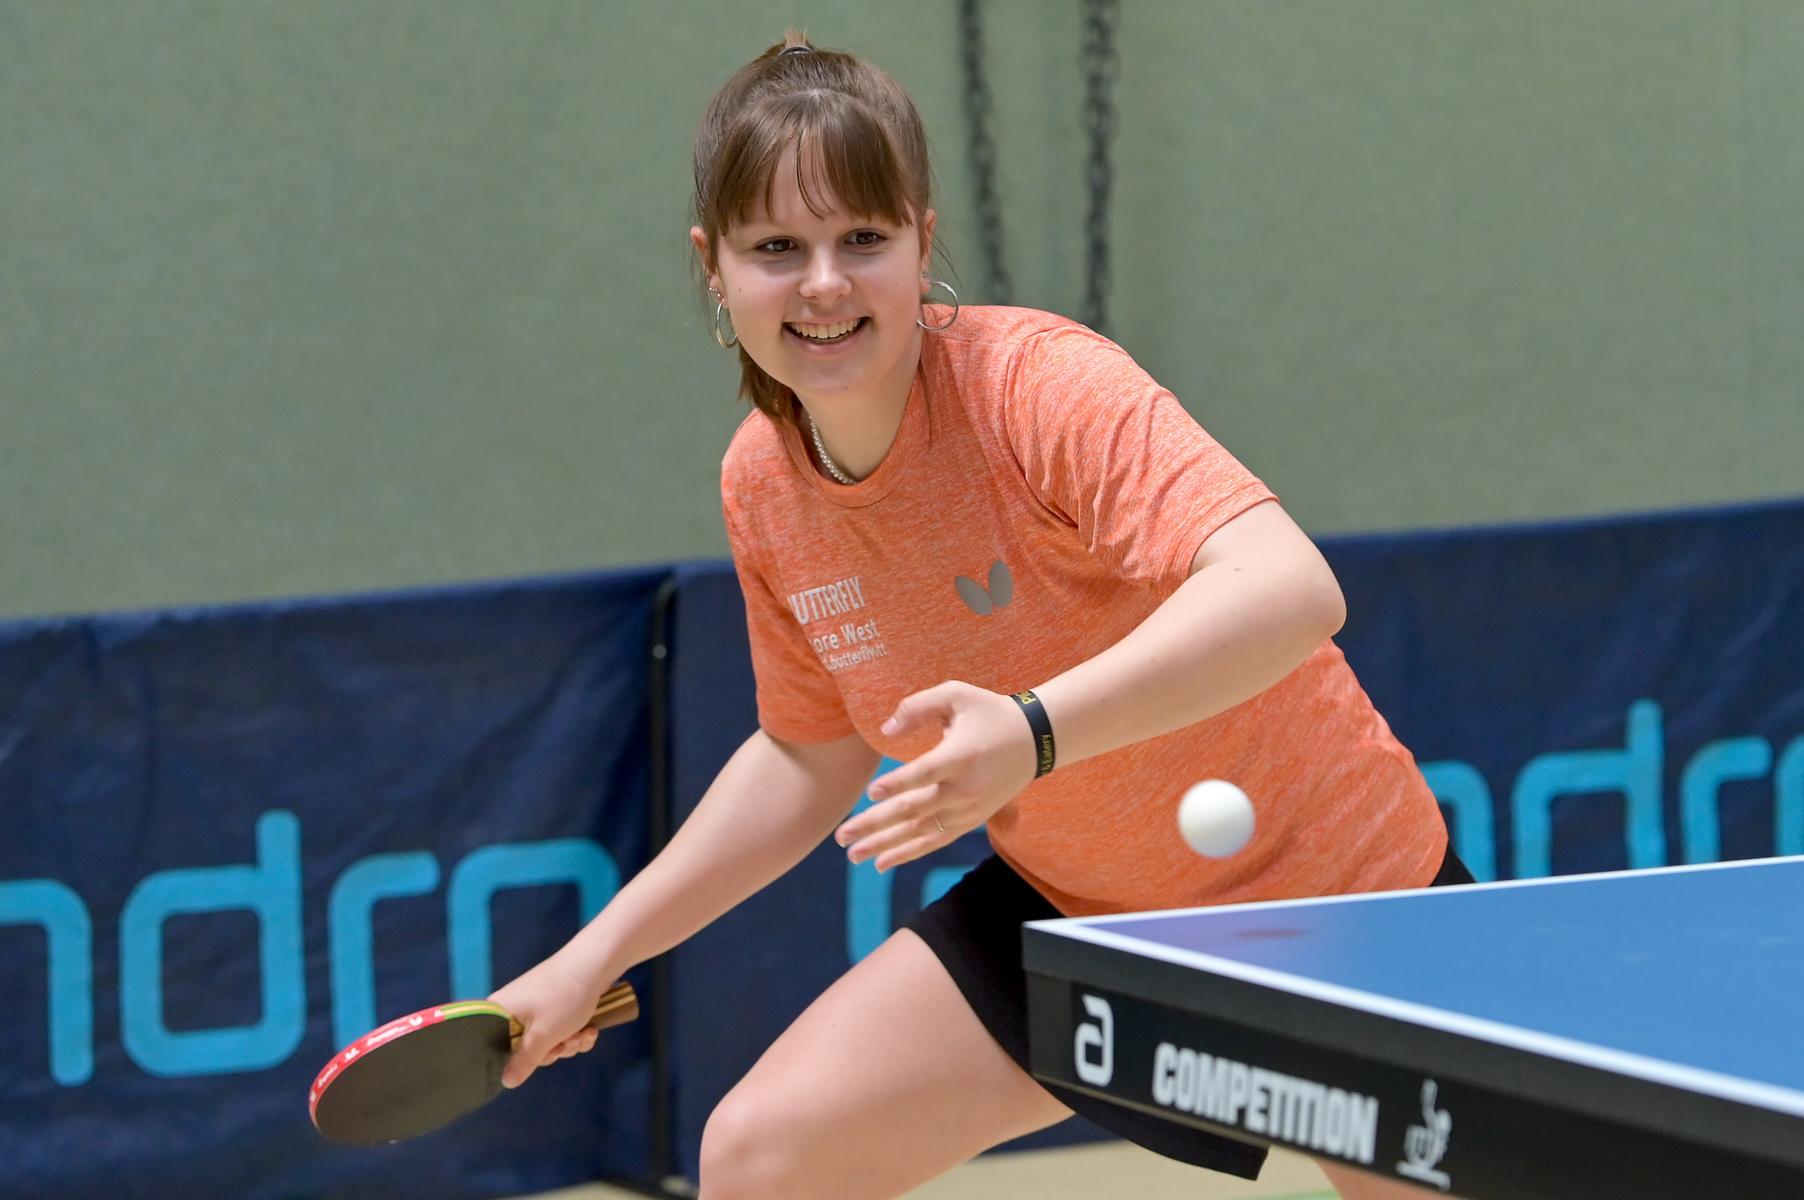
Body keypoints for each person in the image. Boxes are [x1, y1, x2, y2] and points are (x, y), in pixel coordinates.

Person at [491, 33, 1469, 1200]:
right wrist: (592, 955)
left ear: (921, 238)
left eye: (863, 239)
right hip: (1080, 919)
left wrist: (1031, 731)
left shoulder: (1037, 387)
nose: (823, 283)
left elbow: (1289, 588)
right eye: (776, 248)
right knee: (761, 1157)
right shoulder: (762, 481)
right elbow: (807, 755)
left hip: (1340, 900)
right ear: (714, 264)